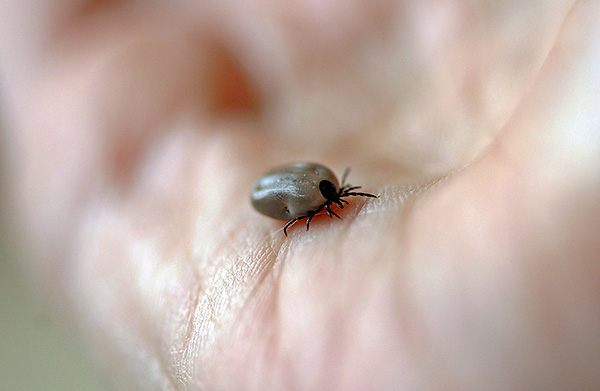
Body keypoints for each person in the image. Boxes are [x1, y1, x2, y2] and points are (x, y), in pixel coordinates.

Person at [1, 1, 599, 389]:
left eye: (334, 200)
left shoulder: (318, 192)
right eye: (335, 200)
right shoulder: (315, 190)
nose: (340, 204)